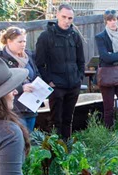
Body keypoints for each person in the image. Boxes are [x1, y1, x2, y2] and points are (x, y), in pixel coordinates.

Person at [35, 4, 85, 140]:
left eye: (70, 18)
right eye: (64, 17)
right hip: (56, 86)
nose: (67, 21)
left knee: (68, 119)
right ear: (57, 15)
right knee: (56, 120)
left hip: (73, 85)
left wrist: (79, 78)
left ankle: (67, 149)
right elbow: (39, 63)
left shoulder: (74, 36)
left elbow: (81, 60)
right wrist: (48, 81)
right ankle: (56, 150)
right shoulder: (46, 37)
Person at [0, 26, 41, 133]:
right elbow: (0, 83)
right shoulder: (0, 60)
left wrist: (39, 85)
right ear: (9, 41)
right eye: (19, 41)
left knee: (29, 140)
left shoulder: (29, 56)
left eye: (24, 41)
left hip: (31, 106)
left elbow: (36, 73)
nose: (23, 44)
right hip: (14, 109)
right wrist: (21, 88)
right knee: (19, 139)